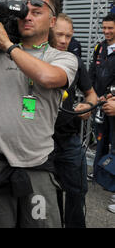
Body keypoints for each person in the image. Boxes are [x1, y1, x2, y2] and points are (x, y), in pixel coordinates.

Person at [0, 0, 78, 228]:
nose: (27, 17)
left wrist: (8, 46)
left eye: (36, 12)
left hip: (37, 166)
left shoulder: (62, 58)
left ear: (51, 21)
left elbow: (48, 77)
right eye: (24, 12)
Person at [50, 13, 98, 228]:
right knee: (48, 194)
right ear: (49, 29)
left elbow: (91, 95)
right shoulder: (33, 59)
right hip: (41, 141)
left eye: (68, 36)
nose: (64, 40)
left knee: (77, 191)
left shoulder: (75, 62)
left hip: (69, 140)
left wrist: (88, 107)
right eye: (60, 34)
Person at [89, 13, 115, 183]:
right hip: (99, 103)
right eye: (104, 28)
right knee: (100, 138)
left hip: (113, 104)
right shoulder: (99, 48)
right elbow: (92, 73)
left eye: (110, 28)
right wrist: (91, 94)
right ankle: (99, 173)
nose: (106, 31)